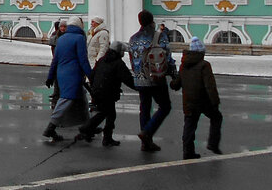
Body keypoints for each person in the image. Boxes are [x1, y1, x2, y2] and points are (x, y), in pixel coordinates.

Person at [129, 9, 175, 152]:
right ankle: (147, 132)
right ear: (152, 21)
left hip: (140, 78)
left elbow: (131, 58)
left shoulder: (133, 38)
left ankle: (146, 143)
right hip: (156, 77)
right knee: (165, 106)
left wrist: (136, 73)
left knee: (144, 108)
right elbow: (167, 56)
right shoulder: (159, 36)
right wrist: (173, 73)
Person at [44, 16, 94, 142]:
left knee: (81, 100)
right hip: (73, 74)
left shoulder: (61, 39)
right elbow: (83, 59)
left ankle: (88, 127)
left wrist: (50, 77)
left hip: (62, 74)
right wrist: (91, 75)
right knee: (66, 100)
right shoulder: (79, 38)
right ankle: (51, 127)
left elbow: (55, 60)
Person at [78, 40, 137, 146]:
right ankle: (89, 130)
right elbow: (128, 79)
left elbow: (92, 75)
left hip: (97, 90)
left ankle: (101, 135)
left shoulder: (102, 59)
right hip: (107, 92)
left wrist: (94, 87)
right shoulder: (118, 63)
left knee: (107, 112)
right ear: (119, 52)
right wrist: (139, 87)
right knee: (107, 113)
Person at [172, 37, 222, 160]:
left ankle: (188, 152)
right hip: (203, 101)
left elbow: (176, 84)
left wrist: (172, 81)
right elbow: (210, 86)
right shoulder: (204, 65)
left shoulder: (184, 64)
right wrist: (215, 101)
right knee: (217, 117)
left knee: (189, 125)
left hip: (188, 101)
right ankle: (212, 144)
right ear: (201, 52)